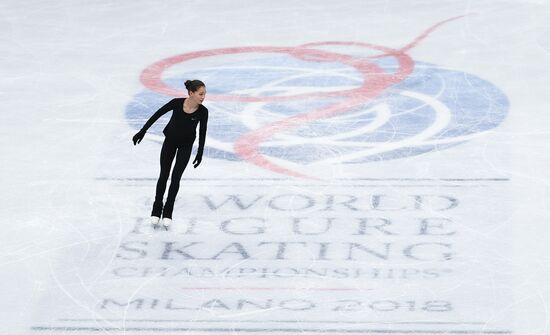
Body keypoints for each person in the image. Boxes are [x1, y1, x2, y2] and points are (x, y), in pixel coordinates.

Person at [132, 80, 208, 229]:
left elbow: (202, 132)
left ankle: (168, 211)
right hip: (170, 143)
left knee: (175, 178)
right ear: (191, 93)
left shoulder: (203, 111)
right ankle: (156, 208)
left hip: (186, 146)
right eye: (200, 94)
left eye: (204, 94)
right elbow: (157, 115)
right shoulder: (176, 103)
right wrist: (143, 131)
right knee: (164, 175)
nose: (203, 97)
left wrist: (200, 152)